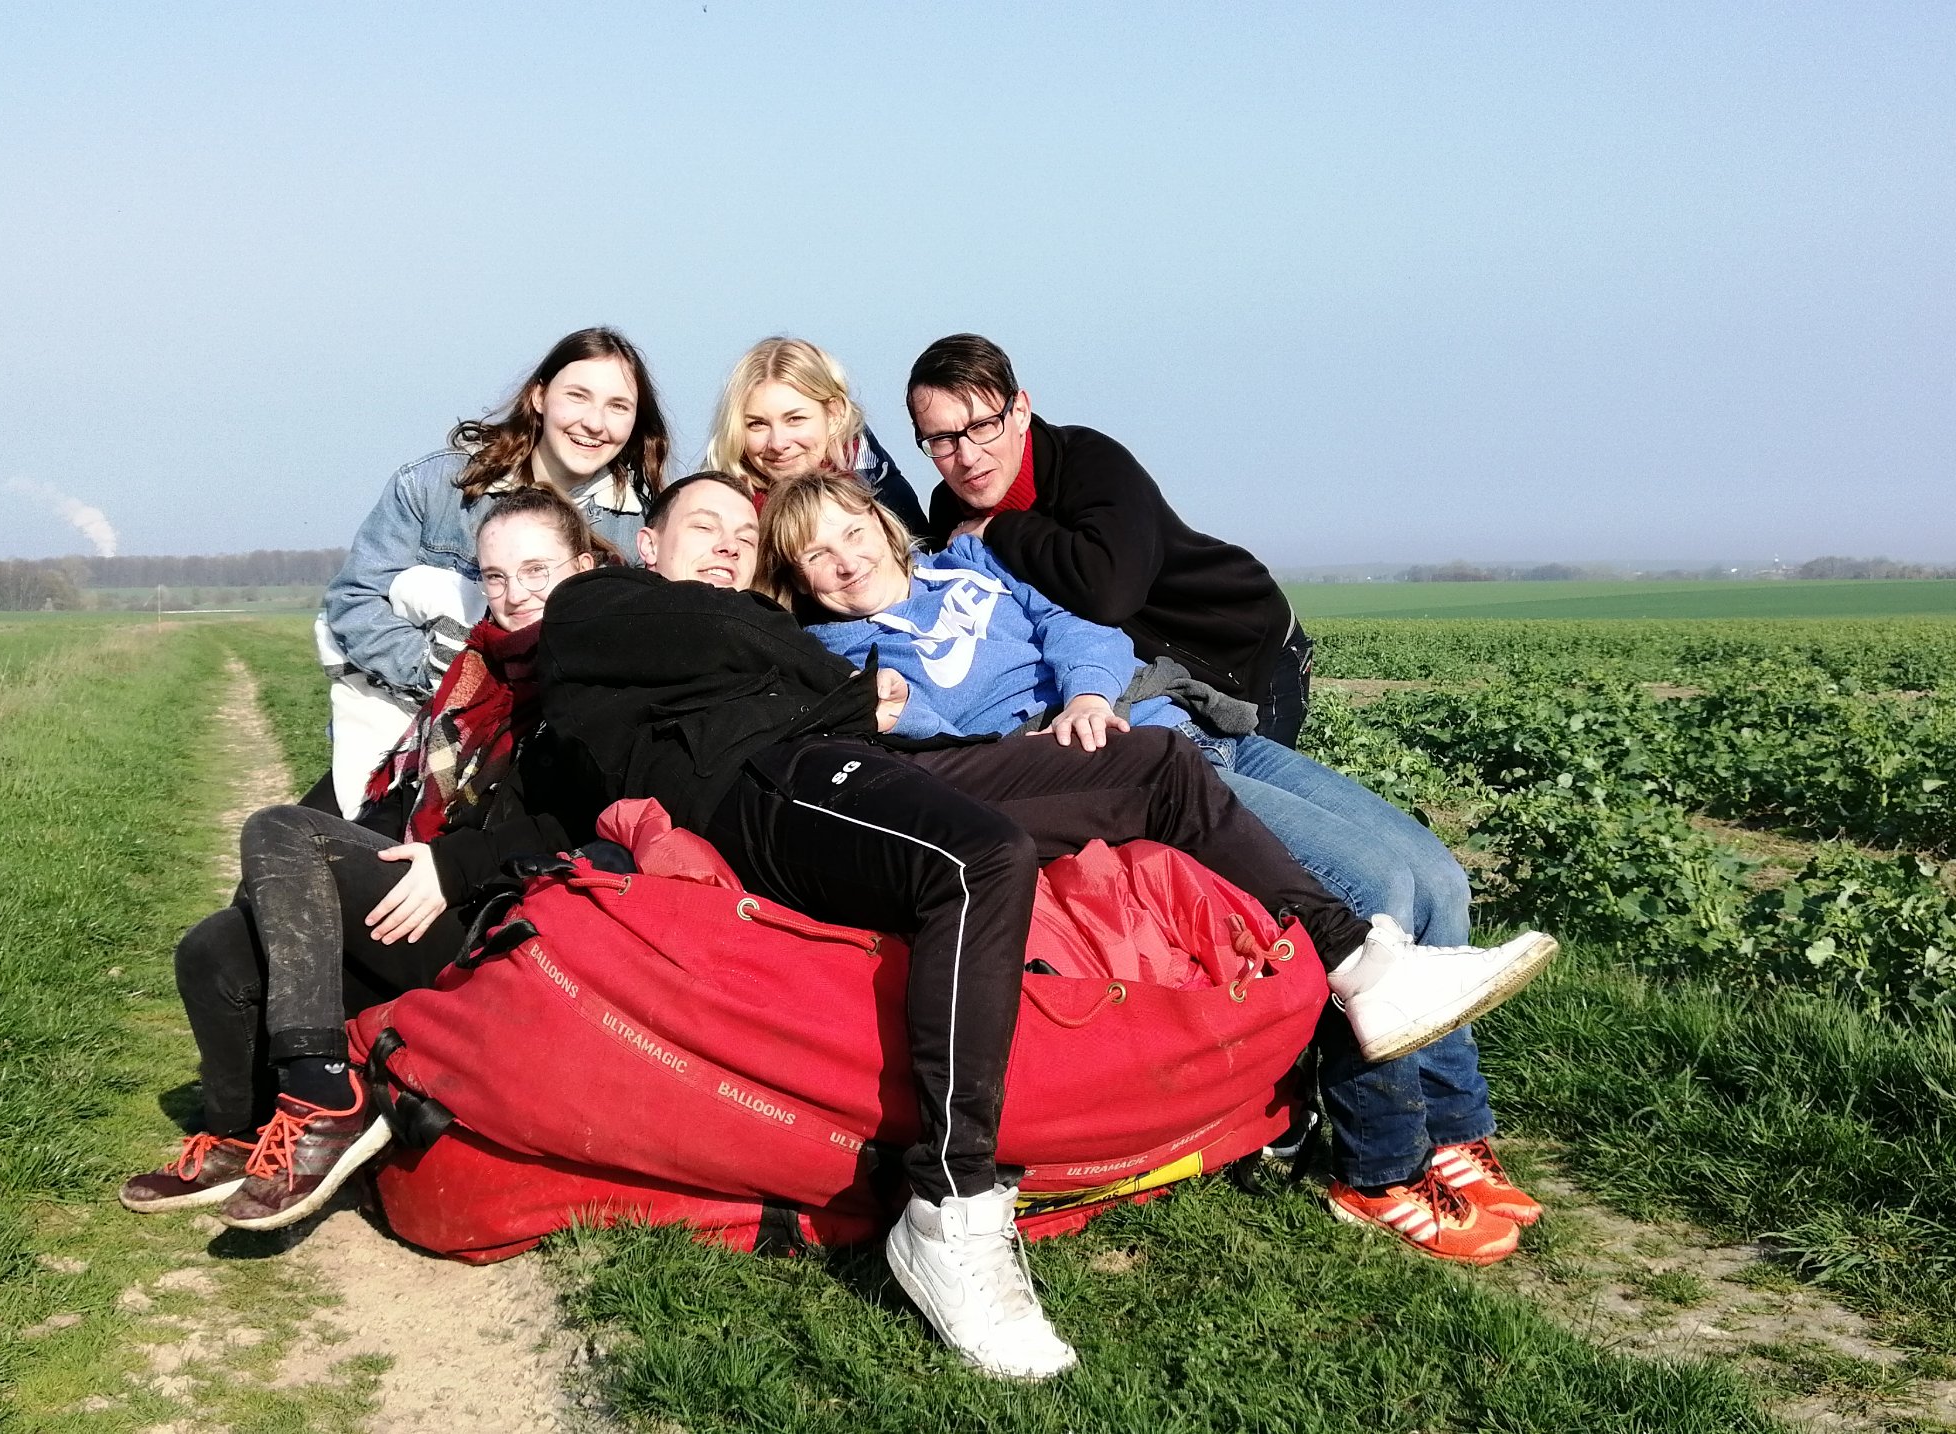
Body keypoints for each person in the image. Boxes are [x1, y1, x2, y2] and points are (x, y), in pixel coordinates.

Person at [528, 472, 1557, 1377]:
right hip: (777, 780)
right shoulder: (608, 603)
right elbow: (654, 713)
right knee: (979, 859)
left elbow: (1022, 642)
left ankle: (1359, 963)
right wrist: (846, 692)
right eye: (702, 525)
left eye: (737, 537)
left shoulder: (780, 625)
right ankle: (949, 1208)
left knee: (1154, 769)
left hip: (866, 758)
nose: (722, 544)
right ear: (643, 543)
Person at [761, 472, 1546, 1265]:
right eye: (815, 555)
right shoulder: (839, 656)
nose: (845, 561)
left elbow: (1083, 627)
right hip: (1098, 765)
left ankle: (1455, 1133)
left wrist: (1089, 693)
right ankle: (1382, 1166)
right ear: (797, 577)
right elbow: (930, 753)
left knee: (1439, 875)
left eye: (852, 533)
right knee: (1379, 887)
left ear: (883, 526)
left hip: (1164, 715)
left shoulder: (971, 570)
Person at [120, 492, 603, 1232]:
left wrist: (451, 865)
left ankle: (321, 1094)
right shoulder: (479, 668)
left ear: (587, 565)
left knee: (282, 832)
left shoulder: (594, 671)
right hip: (421, 887)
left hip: (492, 918)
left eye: (538, 570)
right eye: (497, 576)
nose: (515, 594)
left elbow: (577, 816)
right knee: (213, 949)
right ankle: (244, 1129)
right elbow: (402, 798)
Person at [315, 326, 670, 816]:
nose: (595, 422)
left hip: (533, 760)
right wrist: (446, 673)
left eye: (618, 406)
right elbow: (353, 599)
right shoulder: (440, 486)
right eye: (578, 396)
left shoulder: (641, 531)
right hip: (401, 737)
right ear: (540, 396)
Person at [908, 333, 1315, 745]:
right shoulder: (949, 511)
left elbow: (1110, 592)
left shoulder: (1091, 462)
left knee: (1259, 806)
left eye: (982, 426)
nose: (967, 456)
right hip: (1151, 684)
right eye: (942, 439)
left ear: (1020, 412)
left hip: (1238, 652)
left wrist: (998, 527)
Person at [703, 335, 931, 539]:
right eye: (757, 424)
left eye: (795, 419)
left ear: (834, 413)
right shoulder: (712, 512)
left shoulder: (886, 502)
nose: (778, 443)